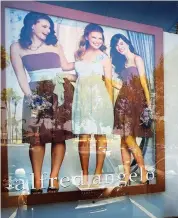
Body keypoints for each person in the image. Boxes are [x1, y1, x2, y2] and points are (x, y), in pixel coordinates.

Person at [9, 12, 76, 194]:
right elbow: (21, 75)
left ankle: (53, 181)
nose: (48, 30)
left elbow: (66, 66)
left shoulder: (55, 45)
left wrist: (82, 59)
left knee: (59, 137)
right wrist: (30, 96)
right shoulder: (17, 47)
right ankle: (37, 183)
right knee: (37, 139)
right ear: (32, 25)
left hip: (59, 91)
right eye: (44, 26)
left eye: (50, 27)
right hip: (36, 93)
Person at [72, 23, 114, 188]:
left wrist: (108, 106)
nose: (97, 40)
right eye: (94, 37)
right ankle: (85, 174)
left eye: (100, 38)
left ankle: (98, 173)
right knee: (83, 138)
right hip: (82, 98)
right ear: (87, 36)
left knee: (100, 137)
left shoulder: (105, 57)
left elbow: (109, 83)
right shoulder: (78, 54)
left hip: (99, 98)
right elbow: (78, 77)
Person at [110, 34, 152, 185]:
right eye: (116, 45)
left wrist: (149, 105)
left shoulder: (137, 58)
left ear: (127, 43)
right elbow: (123, 86)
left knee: (129, 139)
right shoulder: (121, 64)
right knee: (123, 141)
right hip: (121, 102)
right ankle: (127, 176)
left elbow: (144, 83)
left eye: (121, 43)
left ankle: (143, 170)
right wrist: (107, 81)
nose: (119, 47)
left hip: (135, 103)